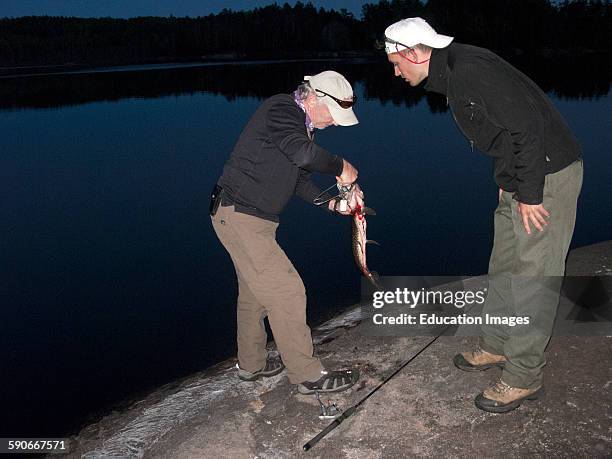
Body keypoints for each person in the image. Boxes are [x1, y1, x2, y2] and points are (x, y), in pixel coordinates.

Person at [382, 18, 583, 413]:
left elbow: (527, 129)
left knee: (532, 277)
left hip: (546, 178)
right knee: (504, 265)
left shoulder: (470, 69)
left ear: (413, 54)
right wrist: (509, 179)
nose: (394, 71)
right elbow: (505, 130)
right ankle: (497, 344)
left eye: (395, 63)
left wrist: (529, 192)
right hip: (522, 178)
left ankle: (524, 377)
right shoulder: (456, 69)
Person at [210, 70, 362, 395]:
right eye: (334, 115)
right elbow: (304, 155)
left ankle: (251, 366)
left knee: (254, 295)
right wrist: (341, 166)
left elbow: (299, 181)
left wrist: (335, 206)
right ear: (314, 96)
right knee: (288, 291)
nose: (335, 123)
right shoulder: (281, 110)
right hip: (240, 216)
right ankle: (308, 376)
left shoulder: (301, 129)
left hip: (248, 219)